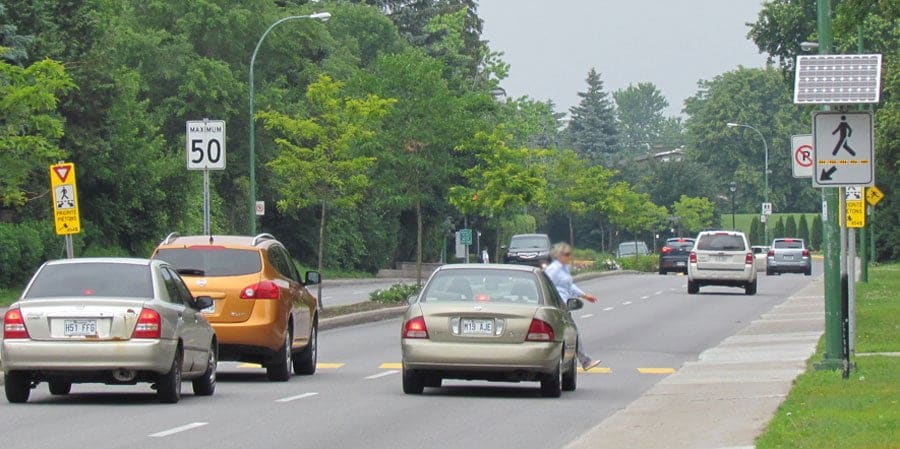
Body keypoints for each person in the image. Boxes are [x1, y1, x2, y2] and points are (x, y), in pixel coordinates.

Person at [544, 242, 601, 371]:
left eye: (570, 254)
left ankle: (583, 360)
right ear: (559, 255)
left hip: (564, 304)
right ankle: (584, 361)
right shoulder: (554, 269)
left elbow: (570, 286)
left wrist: (585, 296)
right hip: (558, 304)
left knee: (569, 332)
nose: (569, 257)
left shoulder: (564, 268)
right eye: (566, 254)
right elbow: (546, 284)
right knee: (571, 332)